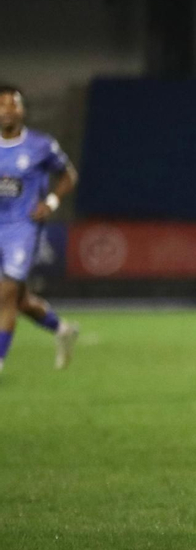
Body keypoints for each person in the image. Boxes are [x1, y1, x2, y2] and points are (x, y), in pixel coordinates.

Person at [0, 86, 80, 377]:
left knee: (6, 294)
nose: (8, 110)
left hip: (23, 229)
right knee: (19, 300)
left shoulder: (40, 145)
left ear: (23, 110)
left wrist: (52, 201)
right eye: (2, 105)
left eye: (14, 104)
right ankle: (62, 329)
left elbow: (68, 174)